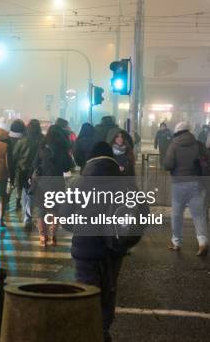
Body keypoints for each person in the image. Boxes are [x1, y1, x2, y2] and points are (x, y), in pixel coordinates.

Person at [70, 141, 126, 342]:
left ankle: (86, 333)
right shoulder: (124, 184)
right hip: (113, 250)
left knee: (85, 293)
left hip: (85, 249)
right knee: (108, 292)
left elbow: (66, 219)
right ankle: (102, 332)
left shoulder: (77, 183)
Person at [164, 121, 209, 256]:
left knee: (177, 214)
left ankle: (176, 242)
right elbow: (208, 160)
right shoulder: (197, 144)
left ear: (177, 131)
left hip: (179, 183)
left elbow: (168, 165)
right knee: (198, 214)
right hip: (195, 183)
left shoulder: (174, 144)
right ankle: (202, 242)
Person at [33, 125, 74, 247]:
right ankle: (53, 236)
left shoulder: (42, 147)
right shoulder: (62, 149)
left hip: (43, 182)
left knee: (41, 210)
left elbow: (35, 163)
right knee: (56, 210)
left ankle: (42, 237)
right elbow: (68, 167)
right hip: (58, 182)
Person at [12, 119, 44, 230]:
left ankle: (28, 219)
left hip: (23, 171)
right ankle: (31, 218)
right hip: (38, 171)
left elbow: (14, 155)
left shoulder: (22, 140)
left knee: (27, 194)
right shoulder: (42, 140)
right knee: (35, 195)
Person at [8, 119, 26, 211]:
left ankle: (6, 201)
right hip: (20, 166)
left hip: (9, 164)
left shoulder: (7, 138)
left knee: (10, 183)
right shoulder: (24, 140)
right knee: (19, 185)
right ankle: (17, 203)